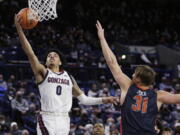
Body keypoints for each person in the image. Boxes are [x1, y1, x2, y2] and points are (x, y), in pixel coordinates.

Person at [14, 15, 118, 135]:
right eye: (49, 56)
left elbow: (84, 99)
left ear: (60, 62)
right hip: (47, 118)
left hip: (64, 120)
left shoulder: (68, 77)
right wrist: (19, 29)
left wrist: (106, 100)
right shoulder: (43, 72)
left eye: (55, 55)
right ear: (46, 62)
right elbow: (30, 53)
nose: (51, 56)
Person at [96, 20, 180, 135]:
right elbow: (177, 98)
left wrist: (102, 39)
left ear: (139, 79)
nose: (132, 75)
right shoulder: (158, 95)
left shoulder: (128, 86)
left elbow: (112, 62)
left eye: (135, 74)